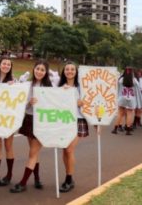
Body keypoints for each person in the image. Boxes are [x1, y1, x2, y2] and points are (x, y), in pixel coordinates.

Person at [10, 59, 53, 193]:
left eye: (42, 70)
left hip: (42, 121)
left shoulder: (49, 88)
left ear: (45, 73)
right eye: (37, 68)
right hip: (29, 119)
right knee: (34, 152)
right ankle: (37, 178)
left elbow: (55, 105)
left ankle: (23, 183)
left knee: (32, 153)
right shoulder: (27, 85)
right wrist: (29, 103)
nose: (39, 71)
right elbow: (21, 103)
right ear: (34, 69)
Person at [57, 62, 88, 192]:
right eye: (67, 69)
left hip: (78, 120)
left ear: (76, 72)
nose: (69, 71)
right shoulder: (59, 87)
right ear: (64, 71)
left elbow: (89, 103)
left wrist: (82, 103)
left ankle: (69, 179)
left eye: (72, 69)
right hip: (64, 120)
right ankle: (68, 176)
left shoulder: (82, 87)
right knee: (65, 150)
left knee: (69, 149)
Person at [0, 57, 15, 187]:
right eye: (4, 63)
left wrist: (14, 86)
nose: (6, 65)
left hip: (8, 119)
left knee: (9, 147)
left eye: (8, 64)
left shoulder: (13, 81)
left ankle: (9, 174)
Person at [112, 67, 142, 135]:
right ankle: (128, 130)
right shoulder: (134, 80)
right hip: (131, 100)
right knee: (130, 114)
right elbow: (137, 91)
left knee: (120, 113)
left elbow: (118, 88)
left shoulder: (121, 80)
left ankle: (115, 129)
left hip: (122, 98)